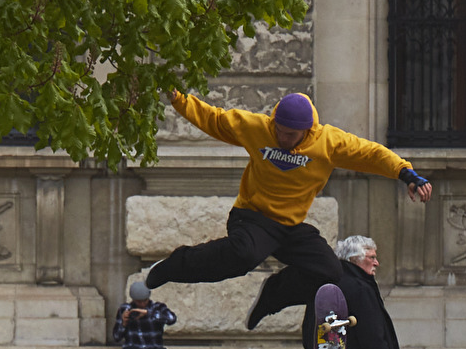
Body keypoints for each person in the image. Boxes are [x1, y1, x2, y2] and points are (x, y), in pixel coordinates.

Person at [144, 91, 433, 328]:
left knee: (330, 272)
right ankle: (176, 264)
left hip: (291, 227)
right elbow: (213, 119)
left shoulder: (329, 142)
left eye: (291, 135)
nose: (283, 139)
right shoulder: (258, 128)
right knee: (245, 255)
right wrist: (177, 98)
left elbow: (370, 153)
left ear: (306, 130)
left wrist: (406, 174)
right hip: (253, 217)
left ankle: (273, 296)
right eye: (280, 132)